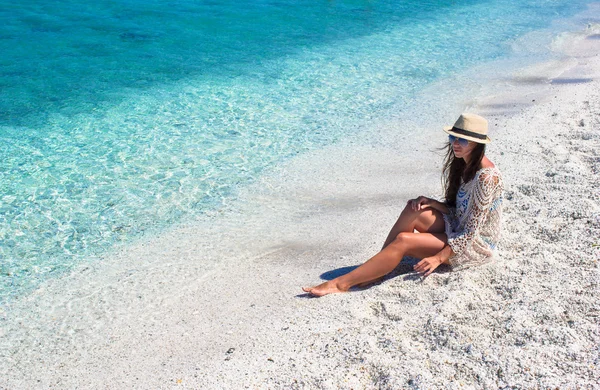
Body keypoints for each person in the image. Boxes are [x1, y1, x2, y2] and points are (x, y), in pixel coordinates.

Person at [302, 113, 504, 297]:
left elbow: (470, 232)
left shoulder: (486, 178)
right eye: (453, 138)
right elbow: (461, 210)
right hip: (459, 227)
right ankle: (377, 268)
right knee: (414, 209)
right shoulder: (464, 163)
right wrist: (434, 204)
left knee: (404, 240)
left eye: (462, 140)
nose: (455, 144)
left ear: (477, 144)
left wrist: (438, 258)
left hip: (475, 245)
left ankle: (341, 284)